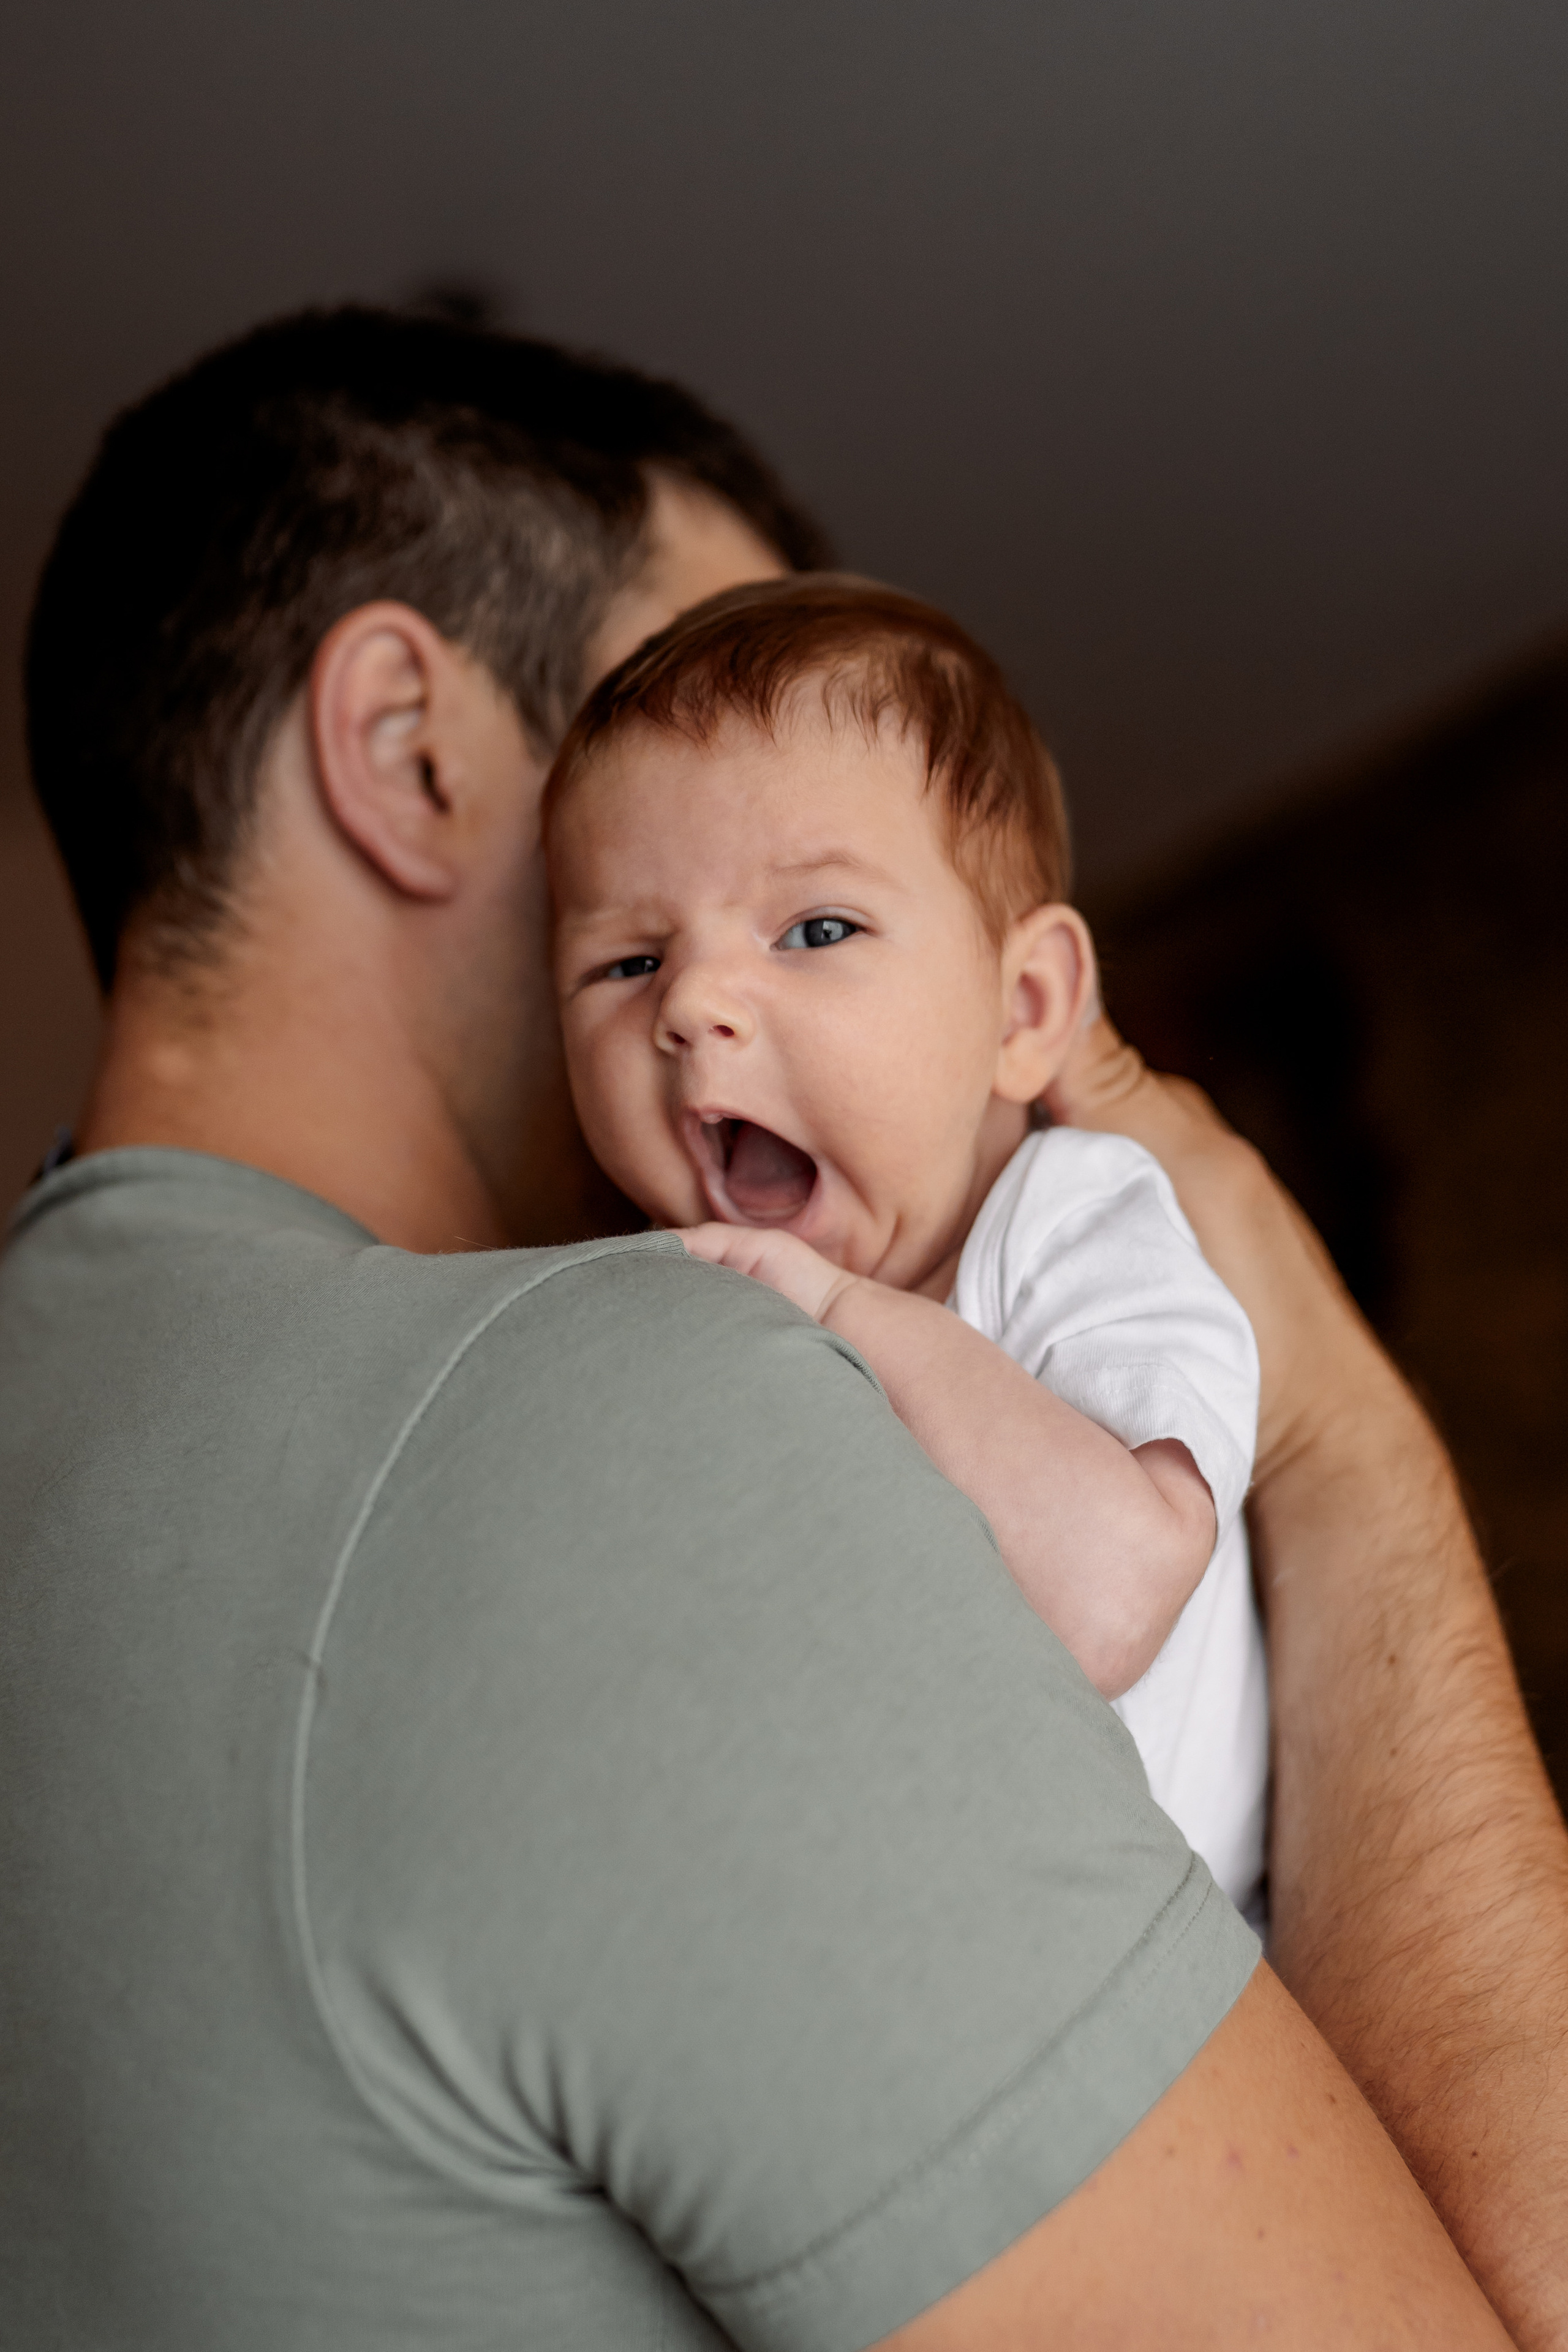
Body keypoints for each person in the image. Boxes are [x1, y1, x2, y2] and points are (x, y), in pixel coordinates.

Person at [1, 306, 1565, 2348]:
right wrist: (1334, 1421)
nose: (711, 999)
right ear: (407, 749)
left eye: (814, 906)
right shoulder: (639, 1413)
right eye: (661, 733)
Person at [544, 575, 1268, 1917]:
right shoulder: (665, 1333)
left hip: (1204, 1983)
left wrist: (843, 1311)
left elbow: (1112, 1594)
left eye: (815, 929)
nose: (693, 1002)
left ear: (1024, 1007)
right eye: (625, 964)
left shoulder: (1066, 1222)